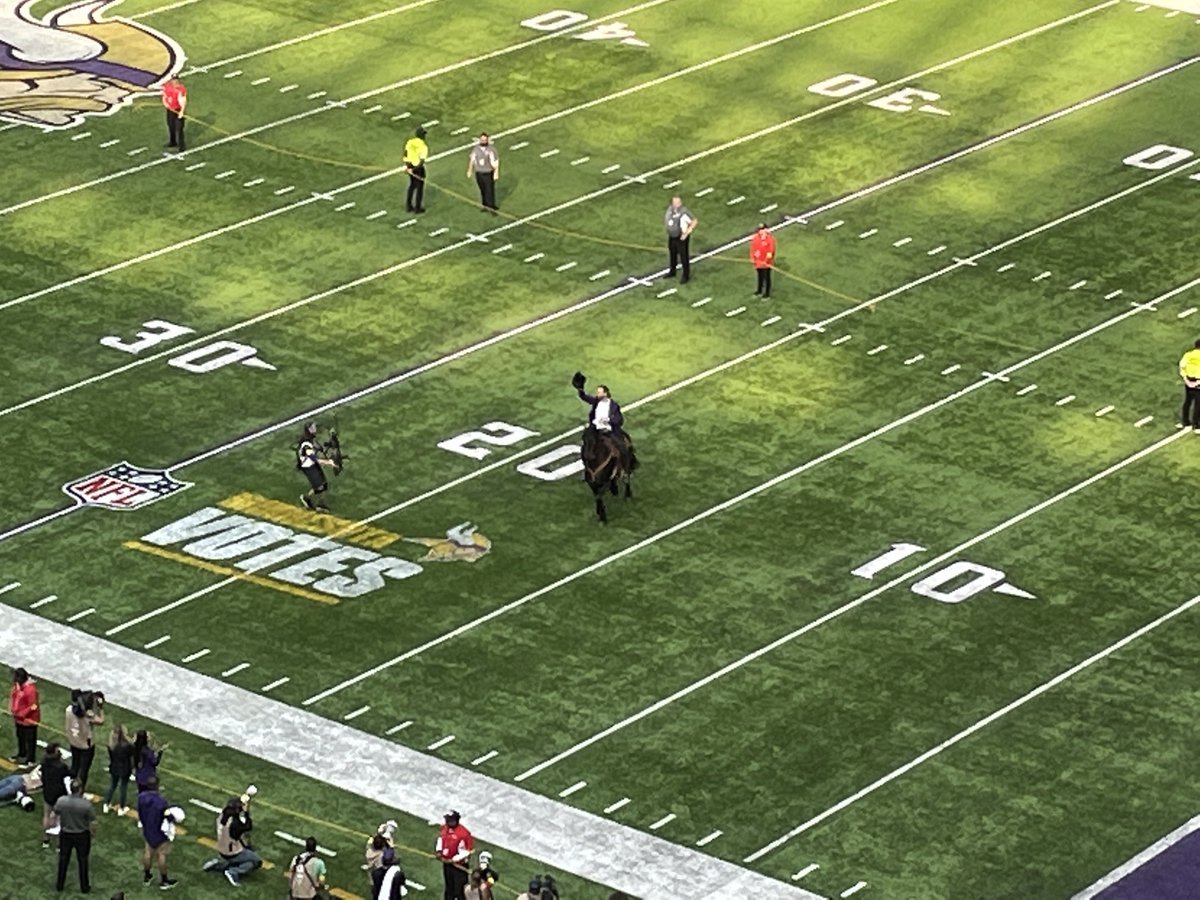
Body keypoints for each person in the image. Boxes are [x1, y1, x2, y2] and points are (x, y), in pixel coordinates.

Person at [574, 373, 632, 471]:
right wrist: (580, 389)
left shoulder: (613, 406)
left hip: (608, 430)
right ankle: (587, 467)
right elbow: (584, 397)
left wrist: (608, 420)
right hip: (595, 428)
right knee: (586, 442)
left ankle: (626, 469)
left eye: (600, 392)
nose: (598, 394)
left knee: (622, 447)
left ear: (605, 394)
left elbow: (619, 419)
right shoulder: (596, 401)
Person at [202, 795, 262, 886]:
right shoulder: (235, 825)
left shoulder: (222, 816)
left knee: (247, 847)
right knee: (256, 861)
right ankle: (233, 871)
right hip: (232, 852)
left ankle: (218, 863)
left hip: (222, 848)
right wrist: (246, 811)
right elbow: (248, 826)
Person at [54, 777, 96, 893]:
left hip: (66, 833)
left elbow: (56, 812)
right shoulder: (86, 805)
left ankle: (59, 884)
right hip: (81, 835)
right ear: (80, 789)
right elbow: (92, 821)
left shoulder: (62, 801)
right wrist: (92, 834)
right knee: (83, 861)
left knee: (63, 859)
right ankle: (84, 887)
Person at [136, 777, 178, 890]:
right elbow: (168, 816)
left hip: (147, 829)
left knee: (148, 853)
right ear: (157, 786)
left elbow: (139, 812)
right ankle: (164, 880)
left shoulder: (141, 797)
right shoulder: (161, 801)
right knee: (162, 855)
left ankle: (147, 876)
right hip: (159, 831)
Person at [65, 689, 105, 791]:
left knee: (75, 766)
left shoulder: (69, 710)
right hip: (86, 746)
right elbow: (101, 721)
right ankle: (79, 789)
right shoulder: (88, 716)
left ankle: (70, 785)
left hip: (74, 742)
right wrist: (100, 708)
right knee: (83, 770)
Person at [297, 422, 337, 511]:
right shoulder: (306, 444)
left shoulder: (309, 439)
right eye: (313, 427)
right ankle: (306, 498)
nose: (315, 428)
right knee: (319, 487)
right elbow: (313, 458)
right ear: (309, 430)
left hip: (312, 464)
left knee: (324, 485)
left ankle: (321, 504)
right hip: (309, 467)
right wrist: (328, 462)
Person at [435, 810, 472, 900]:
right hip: (447, 864)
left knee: (460, 890)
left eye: (450, 820)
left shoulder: (464, 833)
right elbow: (441, 839)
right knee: (449, 888)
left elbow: (467, 851)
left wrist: (453, 860)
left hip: (459, 866)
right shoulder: (445, 828)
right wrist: (439, 852)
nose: (447, 822)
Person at [9, 667, 40, 768]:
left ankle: (30, 760)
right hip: (18, 719)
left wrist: (22, 714)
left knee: (30, 740)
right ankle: (21, 753)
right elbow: (13, 697)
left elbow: (34, 706)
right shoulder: (17, 686)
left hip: (29, 720)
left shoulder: (31, 690)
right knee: (20, 737)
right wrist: (13, 708)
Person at [41, 743, 70, 850]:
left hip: (48, 792)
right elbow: (68, 775)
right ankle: (58, 844)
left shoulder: (44, 762)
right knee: (59, 820)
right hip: (59, 795)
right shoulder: (61, 766)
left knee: (46, 815)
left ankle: (45, 840)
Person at [102, 724, 135, 815]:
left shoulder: (111, 745)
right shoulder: (127, 745)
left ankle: (106, 804)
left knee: (113, 785)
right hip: (125, 768)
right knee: (123, 787)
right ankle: (121, 808)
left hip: (114, 767)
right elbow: (132, 755)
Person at [664, 196, 697, 283]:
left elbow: (694, 221)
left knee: (683, 256)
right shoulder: (670, 209)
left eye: (679, 202)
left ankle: (686, 275)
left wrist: (687, 232)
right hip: (672, 236)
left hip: (681, 237)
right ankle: (672, 271)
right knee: (672, 254)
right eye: (675, 202)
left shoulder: (684, 211)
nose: (678, 204)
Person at [466, 133, 499, 213]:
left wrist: (496, 172)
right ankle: (485, 205)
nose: (483, 141)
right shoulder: (476, 149)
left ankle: (491, 207)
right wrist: (469, 170)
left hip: (488, 172)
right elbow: (472, 160)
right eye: (482, 140)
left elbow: (496, 162)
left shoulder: (491, 150)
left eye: (485, 140)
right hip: (479, 172)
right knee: (482, 190)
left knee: (489, 190)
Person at [404, 127, 429, 213]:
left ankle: (409, 206)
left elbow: (406, 155)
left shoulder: (410, 142)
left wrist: (408, 168)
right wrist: (415, 169)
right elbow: (421, 161)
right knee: (420, 187)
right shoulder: (423, 146)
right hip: (418, 168)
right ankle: (417, 207)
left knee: (412, 185)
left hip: (410, 165)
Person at [161, 75, 187, 152]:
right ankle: (173, 142)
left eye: (176, 80)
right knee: (170, 126)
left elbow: (183, 100)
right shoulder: (167, 87)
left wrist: (182, 111)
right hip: (170, 110)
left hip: (177, 110)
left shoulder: (181, 89)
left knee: (179, 128)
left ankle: (181, 146)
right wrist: (166, 104)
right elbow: (164, 96)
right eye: (173, 80)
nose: (174, 82)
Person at [750, 222, 776, 298]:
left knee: (767, 278)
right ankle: (759, 291)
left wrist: (766, 261)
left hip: (766, 263)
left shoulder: (770, 239)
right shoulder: (755, 238)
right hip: (758, 263)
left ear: (766, 230)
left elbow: (771, 252)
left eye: (763, 229)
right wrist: (752, 258)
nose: (761, 231)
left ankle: (767, 294)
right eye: (760, 230)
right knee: (760, 277)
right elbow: (752, 249)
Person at [1180, 338, 1200, 430]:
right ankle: (1196, 424)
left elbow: (1182, 366)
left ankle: (1185, 421)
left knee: (1187, 401)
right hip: (1198, 381)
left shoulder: (1188, 355)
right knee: (1198, 403)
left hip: (1188, 380)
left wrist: (1186, 380)